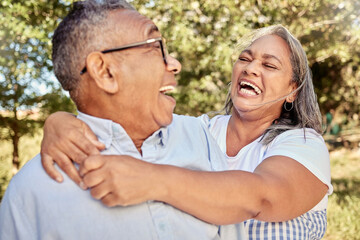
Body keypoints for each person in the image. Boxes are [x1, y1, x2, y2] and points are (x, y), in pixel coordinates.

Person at [41, 23, 333, 239]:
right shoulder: (199, 131)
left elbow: (262, 197)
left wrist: (153, 180)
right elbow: (129, 121)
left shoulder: (305, 145)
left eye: (269, 65)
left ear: (292, 91)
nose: (251, 68)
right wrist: (62, 120)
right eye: (245, 58)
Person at [0, 1, 245, 239]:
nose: (175, 64)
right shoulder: (32, 193)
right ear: (105, 72)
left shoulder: (199, 136)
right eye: (155, 46)